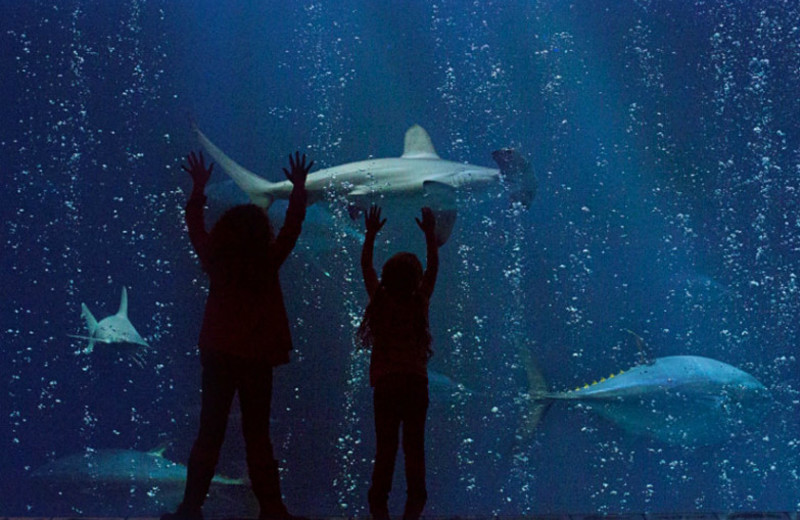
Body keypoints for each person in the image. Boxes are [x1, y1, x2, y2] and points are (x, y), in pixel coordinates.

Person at [162, 150, 312, 520]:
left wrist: (198, 188)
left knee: (209, 431)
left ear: (225, 230)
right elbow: (292, 229)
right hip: (257, 355)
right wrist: (298, 190)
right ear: (263, 234)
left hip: (217, 352)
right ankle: (273, 509)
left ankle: (190, 507)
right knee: (258, 434)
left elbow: (195, 225)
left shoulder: (215, 257)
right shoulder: (268, 259)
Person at [357, 204, 439, 520]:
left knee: (386, 448)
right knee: (414, 447)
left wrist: (370, 234)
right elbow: (434, 268)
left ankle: (379, 503)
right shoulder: (420, 301)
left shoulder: (380, 300)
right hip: (416, 384)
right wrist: (430, 235)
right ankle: (415, 503)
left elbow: (366, 267)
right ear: (416, 279)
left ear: (387, 277)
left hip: (386, 385)